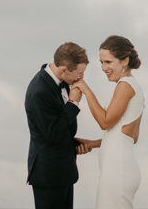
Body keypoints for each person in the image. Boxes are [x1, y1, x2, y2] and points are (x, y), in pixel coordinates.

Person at [71, 35, 144, 209]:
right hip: (120, 168)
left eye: (108, 62)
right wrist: (93, 143)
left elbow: (105, 122)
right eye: (101, 62)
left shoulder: (125, 85)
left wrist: (86, 91)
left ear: (125, 60)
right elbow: (130, 137)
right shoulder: (132, 86)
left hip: (117, 171)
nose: (104, 68)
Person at [25, 42, 96, 209]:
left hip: (63, 171)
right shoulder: (39, 91)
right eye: (80, 73)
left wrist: (74, 144)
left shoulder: (62, 82)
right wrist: (72, 104)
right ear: (64, 69)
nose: (82, 77)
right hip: (48, 175)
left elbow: (60, 128)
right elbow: (52, 135)